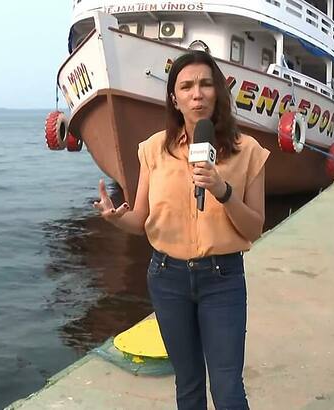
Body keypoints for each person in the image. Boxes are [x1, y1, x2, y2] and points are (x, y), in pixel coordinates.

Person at [93, 50, 269, 410]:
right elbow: (140, 220)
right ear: (174, 98)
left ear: (218, 92)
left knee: (227, 389)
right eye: (186, 86)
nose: (197, 93)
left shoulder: (247, 151)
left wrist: (222, 190)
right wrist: (115, 217)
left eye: (205, 84)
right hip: (167, 277)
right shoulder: (153, 149)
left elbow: (254, 228)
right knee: (188, 385)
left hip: (222, 279)